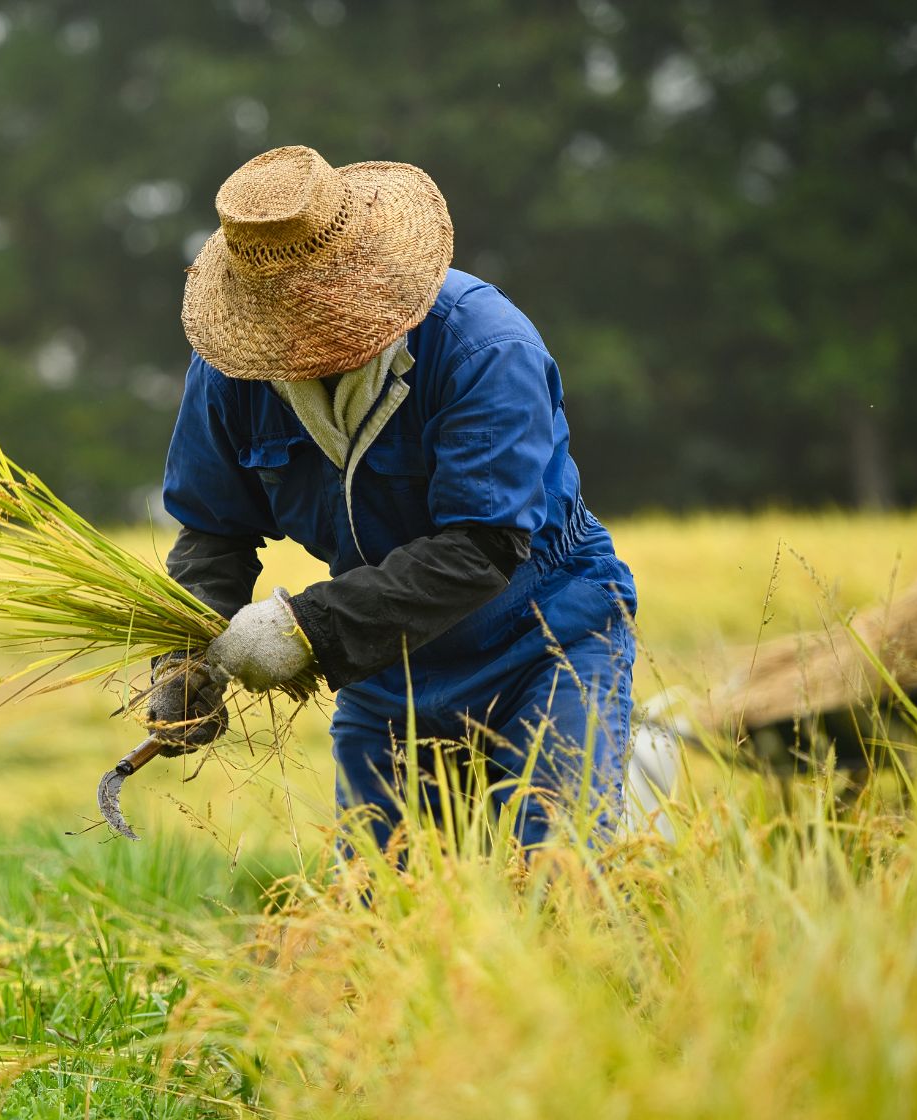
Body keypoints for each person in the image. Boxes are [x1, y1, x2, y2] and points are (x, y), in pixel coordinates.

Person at [145, 145, 638, 852]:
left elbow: (482, 547)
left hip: (542, 640)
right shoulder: (232, 373)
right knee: (386, 908)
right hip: (386, 668)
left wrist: (303, 630)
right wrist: (182, 659)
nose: (305, 334)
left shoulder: (481, 348)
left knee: (555, 876)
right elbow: (212, 532)